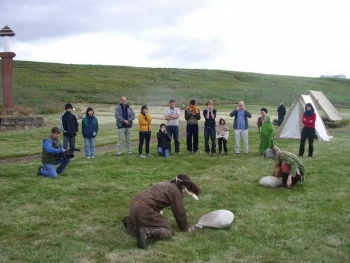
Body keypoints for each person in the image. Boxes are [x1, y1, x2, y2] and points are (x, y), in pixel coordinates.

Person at [122, 174, 202, 249]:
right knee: (168, 232)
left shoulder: (164, 184)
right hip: (143, 208)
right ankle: (146, 232)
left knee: (146, 218)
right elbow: (179, 213)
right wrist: (185, 228)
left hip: (134, 203)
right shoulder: (175, 192)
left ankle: (130, 221)